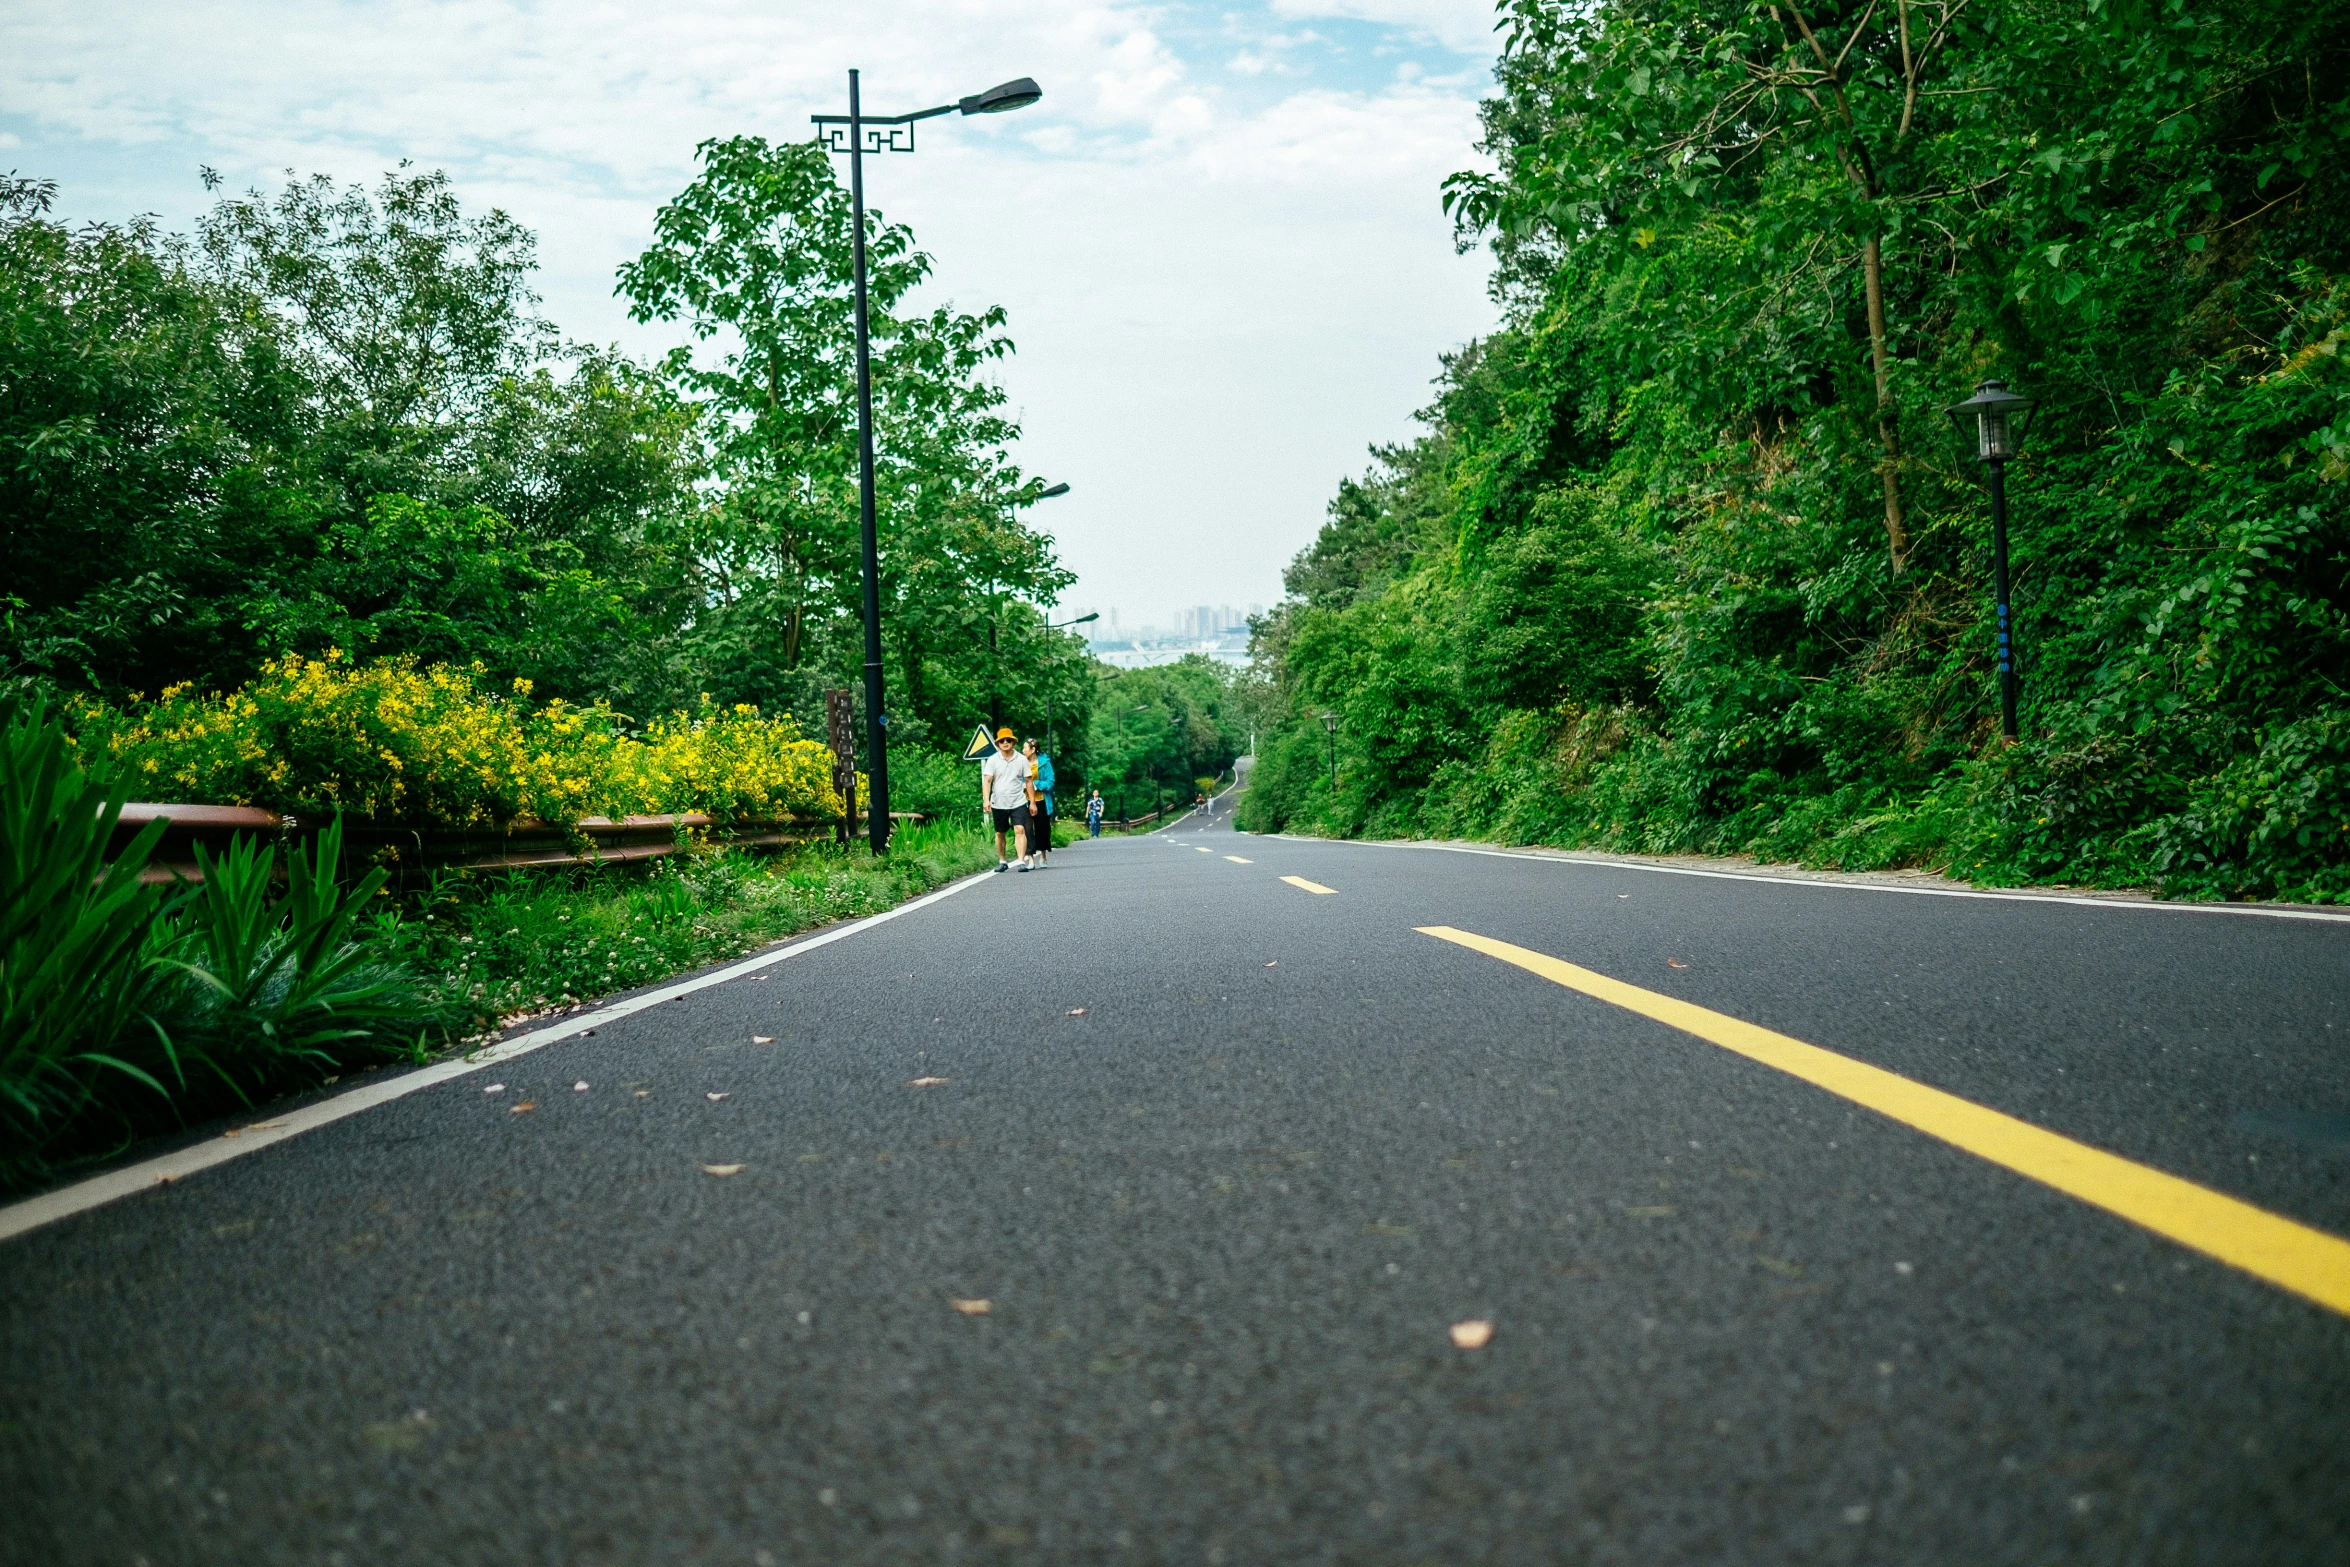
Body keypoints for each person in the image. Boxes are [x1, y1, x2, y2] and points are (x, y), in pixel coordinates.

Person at [981, 728, 1032, 871]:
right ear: (998, 743)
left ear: (1013, 742)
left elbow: (1028, 781)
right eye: (1002, 740)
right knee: (1000, 833)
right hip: (999, 802)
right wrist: (986, 800)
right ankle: (1002, 861)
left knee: (1020, 829)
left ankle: (1021, 861)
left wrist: (1032, 802)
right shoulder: (993, 760)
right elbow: (987, 781)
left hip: (1018, 801)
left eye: (1008, 740)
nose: (1005, 743)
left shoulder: (1021, 759)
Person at [1025, 737, 1055, 867]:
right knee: (1027, 829)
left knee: (1042, 829)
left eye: (1025, 748)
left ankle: (1043, 856)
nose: (1023, 750)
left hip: (1041, 800)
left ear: (1033, 750)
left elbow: (1050, 781)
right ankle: (1030, 858)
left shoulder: (1044, 762)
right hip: (1024, 801)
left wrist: (1036, 785)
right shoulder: (1020, 762)